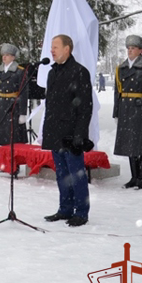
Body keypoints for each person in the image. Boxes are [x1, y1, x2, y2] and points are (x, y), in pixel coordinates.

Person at [42, 34, 93, 227]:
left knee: (76, 175)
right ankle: (65, 209)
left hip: (72, 134)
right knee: (62, 174)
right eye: (51, 47)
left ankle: (81, 212)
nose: (52, 50)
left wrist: (79, 135)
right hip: (56, 132)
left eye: (55, 47)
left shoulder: (80, 72)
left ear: (67, 49)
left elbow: (85, 107)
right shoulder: (52, 72)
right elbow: (52, 105)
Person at [113, 35, 142, 189]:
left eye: (133, 48)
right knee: (129, 143)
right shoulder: (121, 68)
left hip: (140, 109)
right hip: (126, 109)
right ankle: (134, 177)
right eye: (128, 48)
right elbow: (117, 92)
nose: (130, 51)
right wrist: (116, 112)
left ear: (141, 50)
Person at [0, 43, 28, 146]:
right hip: (2, 106)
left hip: (14, 106)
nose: (4, 57)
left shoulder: (19, 71)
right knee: (3, 137)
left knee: (14, 137)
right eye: (3, 54)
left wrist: (22, 113)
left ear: (13, 57)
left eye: (7, 54)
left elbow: (24, 93)